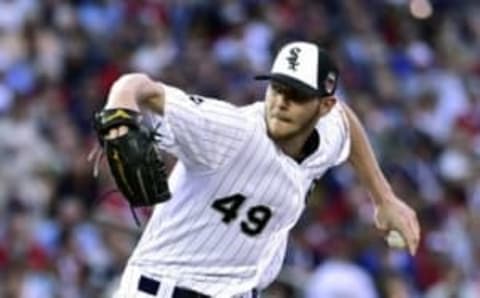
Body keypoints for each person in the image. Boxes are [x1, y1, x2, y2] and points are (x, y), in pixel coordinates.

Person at [103, 41, 420, 298]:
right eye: (277, 88)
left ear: (324, 106)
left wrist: (383, 198)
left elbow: (346, 123)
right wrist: (120, 108)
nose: (281, 102)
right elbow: (140, 87)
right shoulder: (229, 130)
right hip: (162, 289)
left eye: (296, 95)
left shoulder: (326, 136)